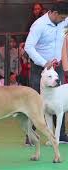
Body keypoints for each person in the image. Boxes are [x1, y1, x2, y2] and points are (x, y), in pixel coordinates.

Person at [25, 1, 68, 144]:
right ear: (54, 13)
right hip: (40, 68)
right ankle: (31, 136)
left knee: (59, 100)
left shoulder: (65, 20)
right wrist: (44, 63)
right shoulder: (39, 25)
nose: (64, 20)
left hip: (58, 66)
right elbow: (28, 47)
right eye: (62, 18)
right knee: (36, 102)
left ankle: (59, 136)